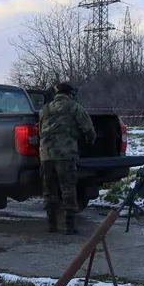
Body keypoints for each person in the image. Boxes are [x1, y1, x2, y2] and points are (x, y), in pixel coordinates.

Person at [37, 80, 97, 235]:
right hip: (65, 154)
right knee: (68, 188)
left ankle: (52, 225)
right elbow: (88, 129)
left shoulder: (45, 109)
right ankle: (70, 226)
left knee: (49, 189)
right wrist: (90, 141)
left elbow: (39, 130)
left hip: (46, 155)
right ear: (70, 94)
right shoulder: (73, 107)